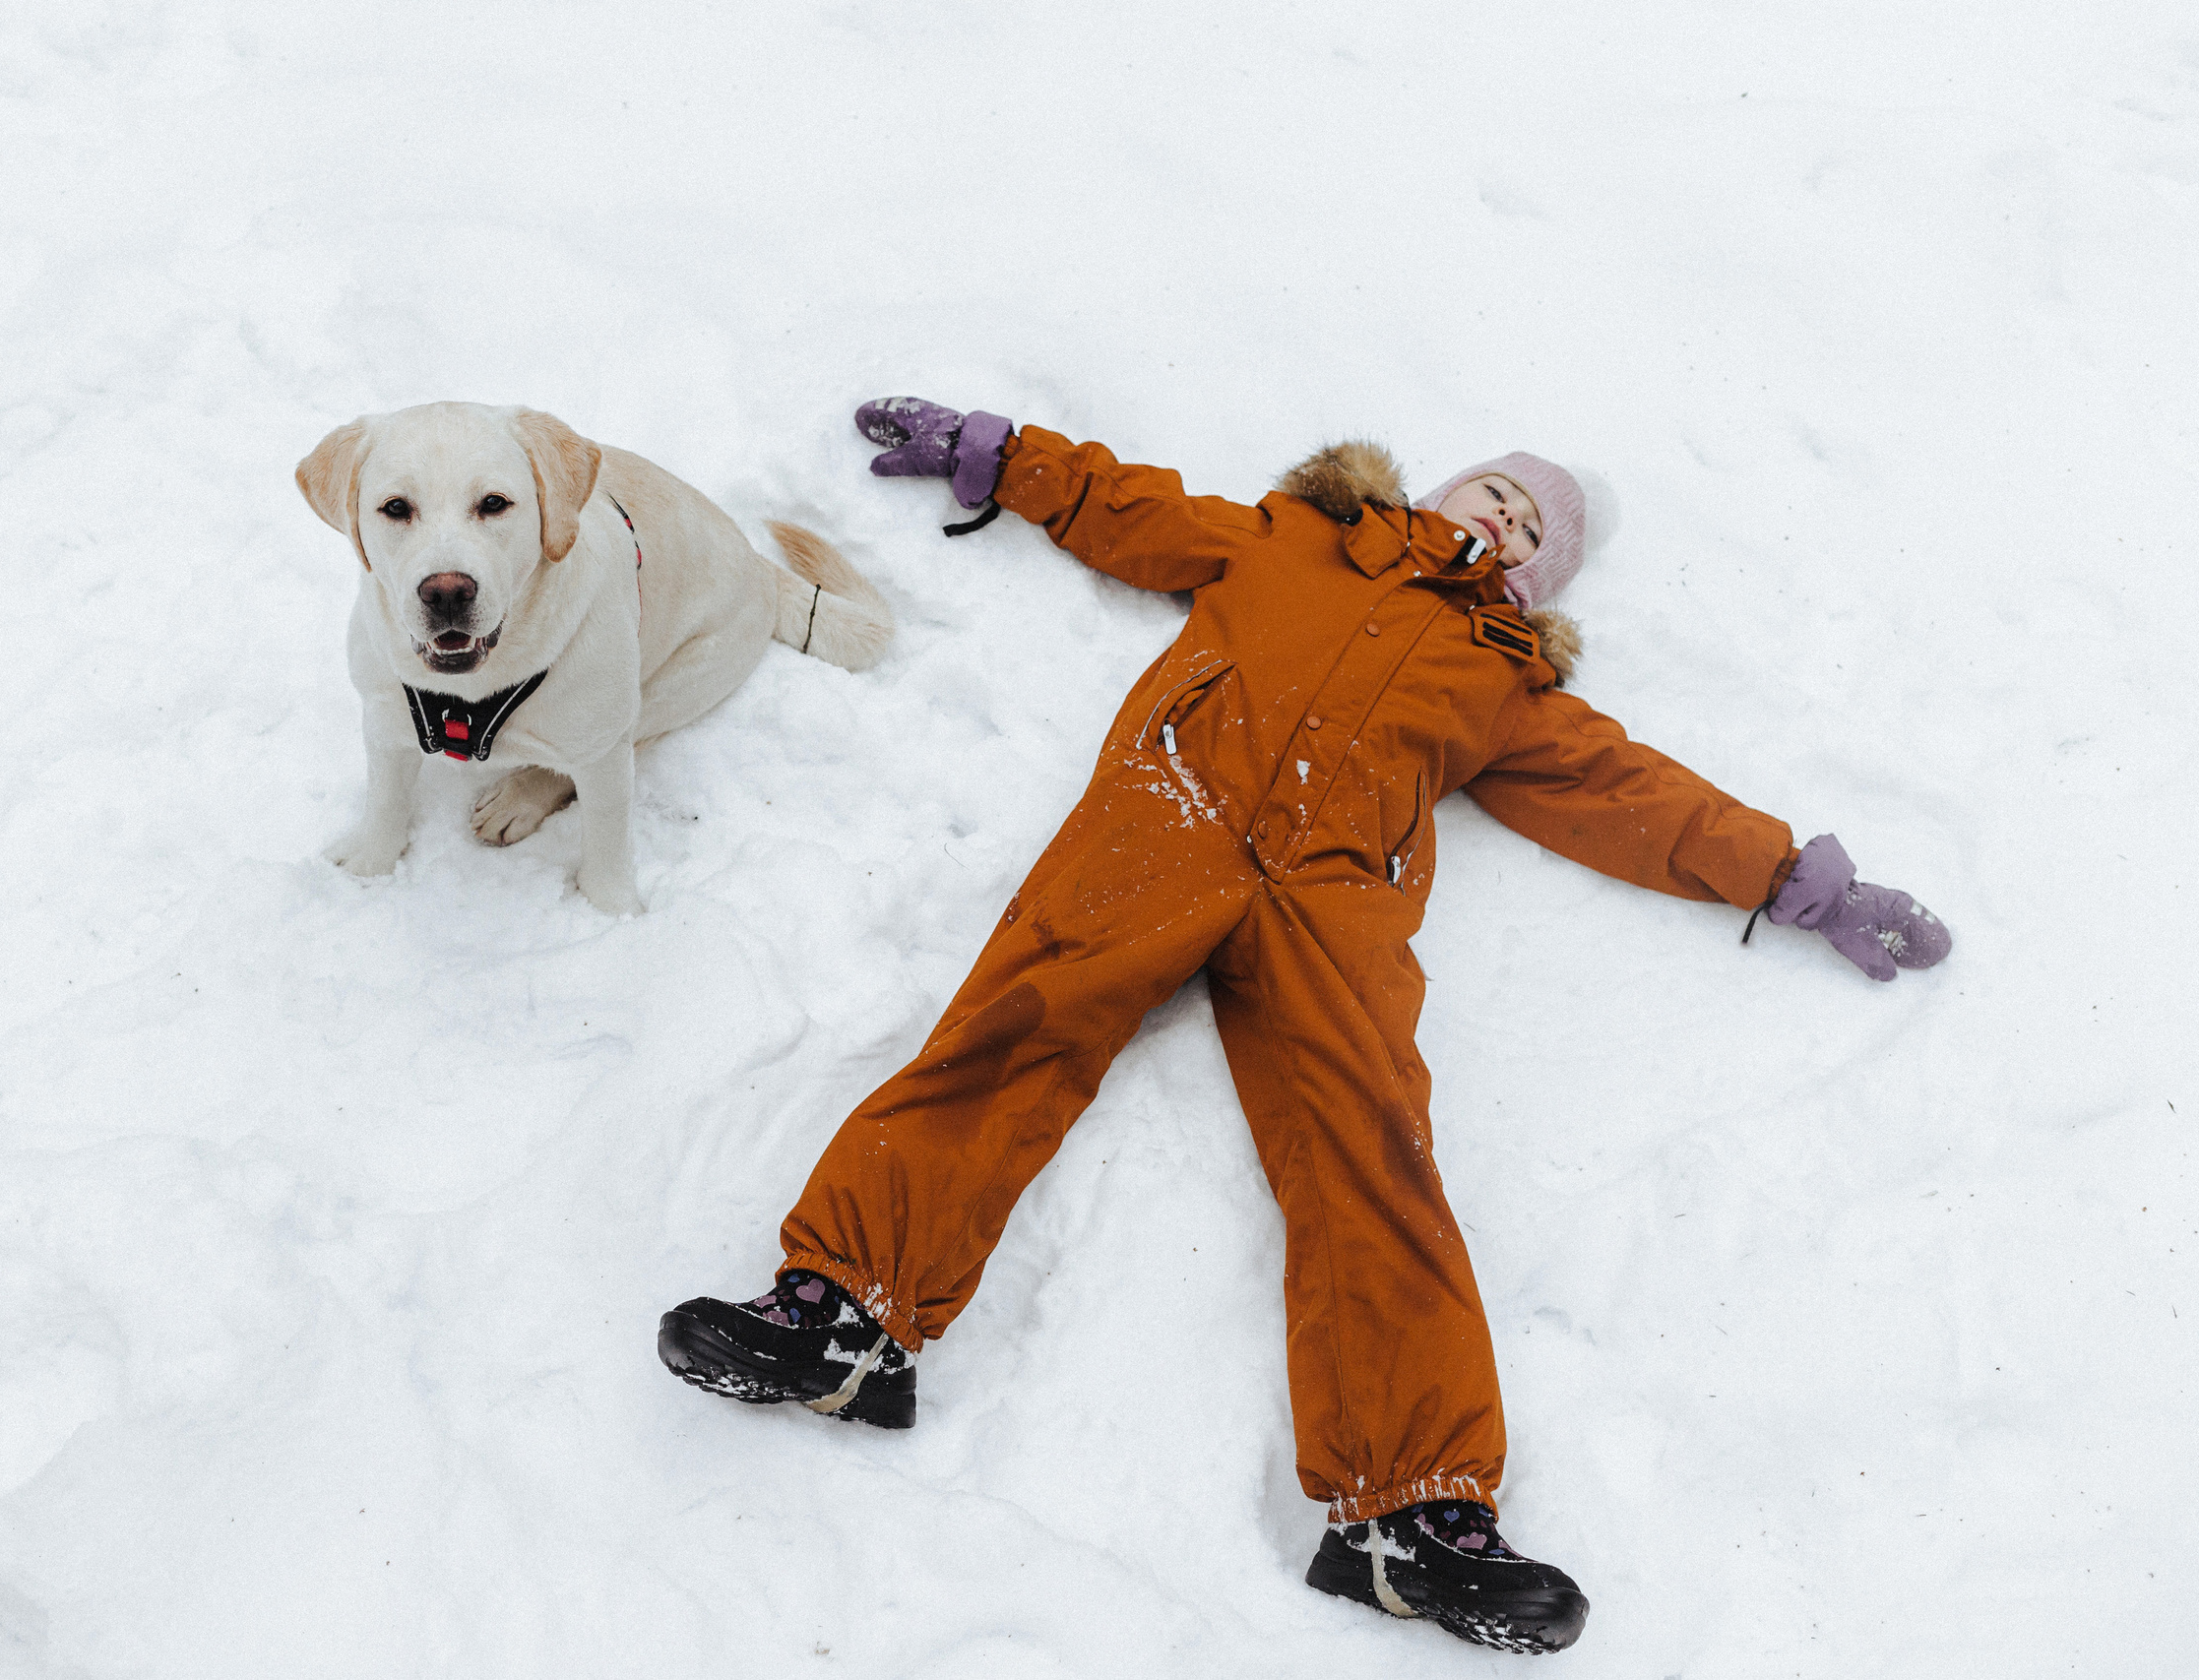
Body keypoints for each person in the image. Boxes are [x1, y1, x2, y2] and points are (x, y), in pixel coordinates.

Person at [657, 398, 1951, 1654]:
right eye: (1493, 492)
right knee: (1014, 1032)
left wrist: (1795, 879)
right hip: (1168, 820)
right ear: (1438, 487)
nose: (1501, 520)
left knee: (1371, 1156)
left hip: (1337, 896)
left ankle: (1413, 1517)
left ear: (1534, 586)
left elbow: (1632, 795)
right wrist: (1001, 458)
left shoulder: (1500, 680)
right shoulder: (1293, 537)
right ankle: (840, 1320)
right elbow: (1137, 511)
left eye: (1529, 534)